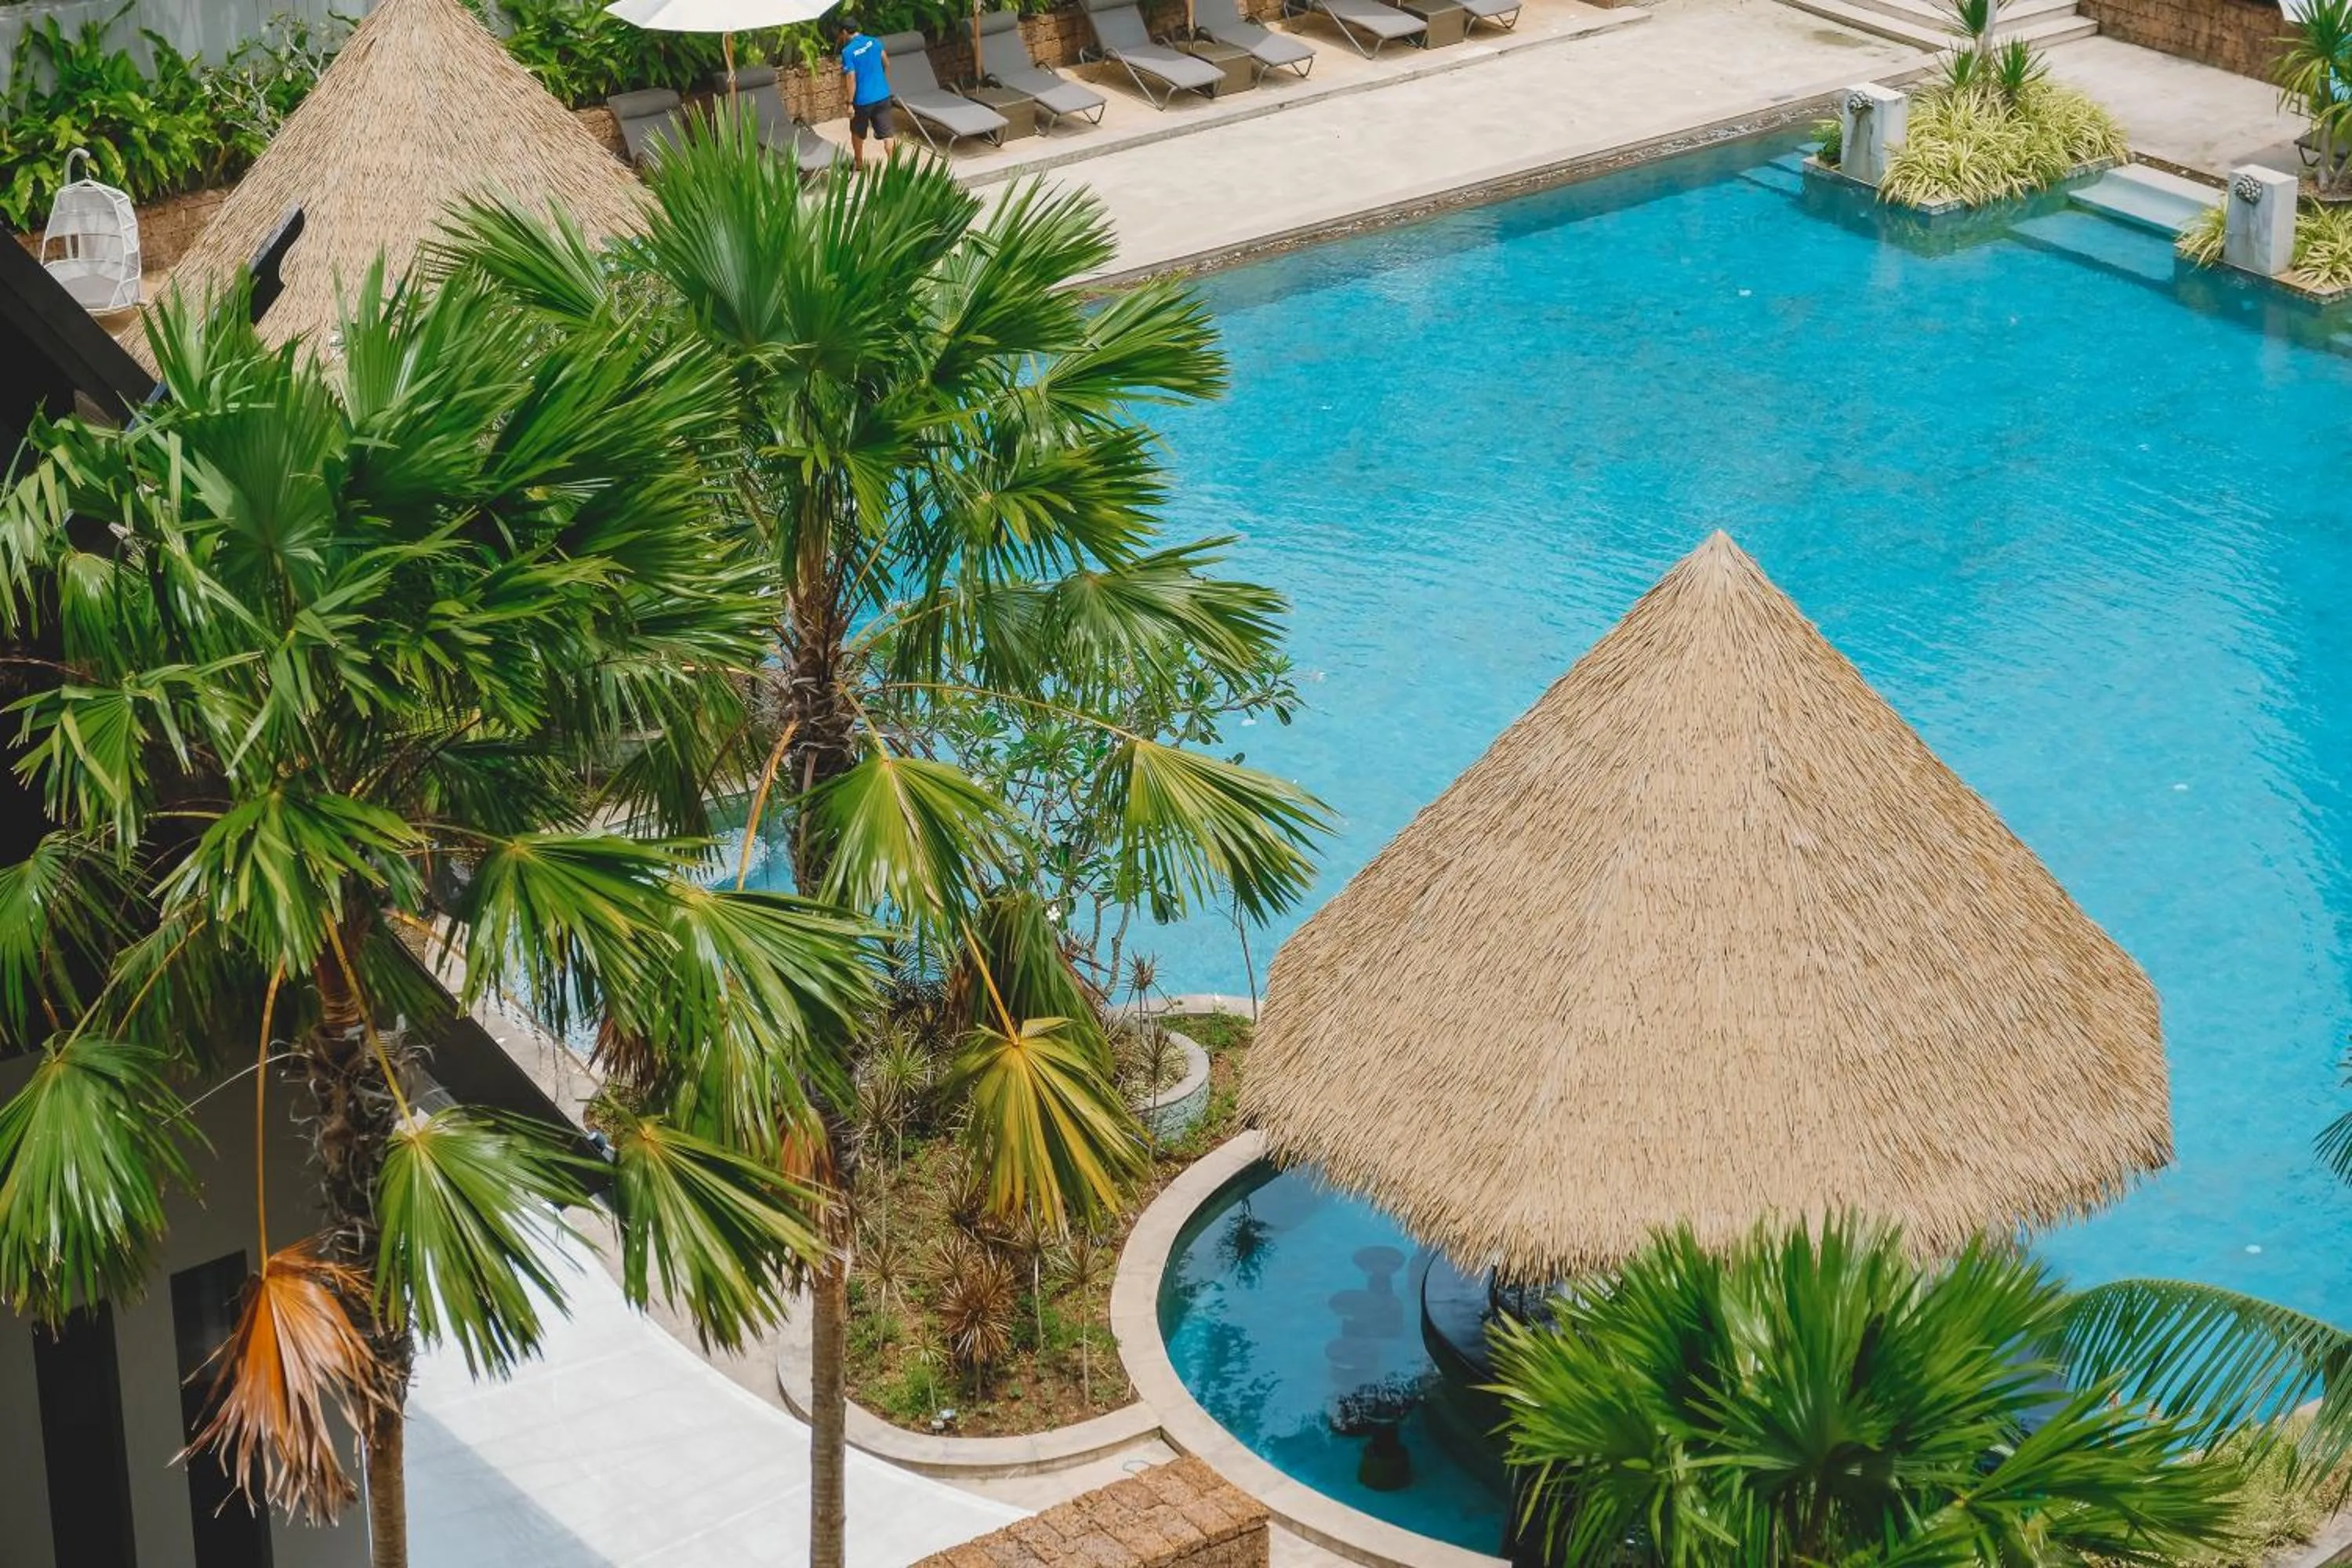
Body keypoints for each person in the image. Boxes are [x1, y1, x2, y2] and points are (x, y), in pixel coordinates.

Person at [837, 18, 895, 172]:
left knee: (857, 132)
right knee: (887, 133)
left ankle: (859, 163)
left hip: (862, 101)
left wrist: (849, 103)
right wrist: (882, 83)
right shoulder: (874, 41)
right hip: (882, 95)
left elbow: (851, 78)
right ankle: (893, 164)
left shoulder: (847, 52)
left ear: (844, 32)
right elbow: (886, 62)